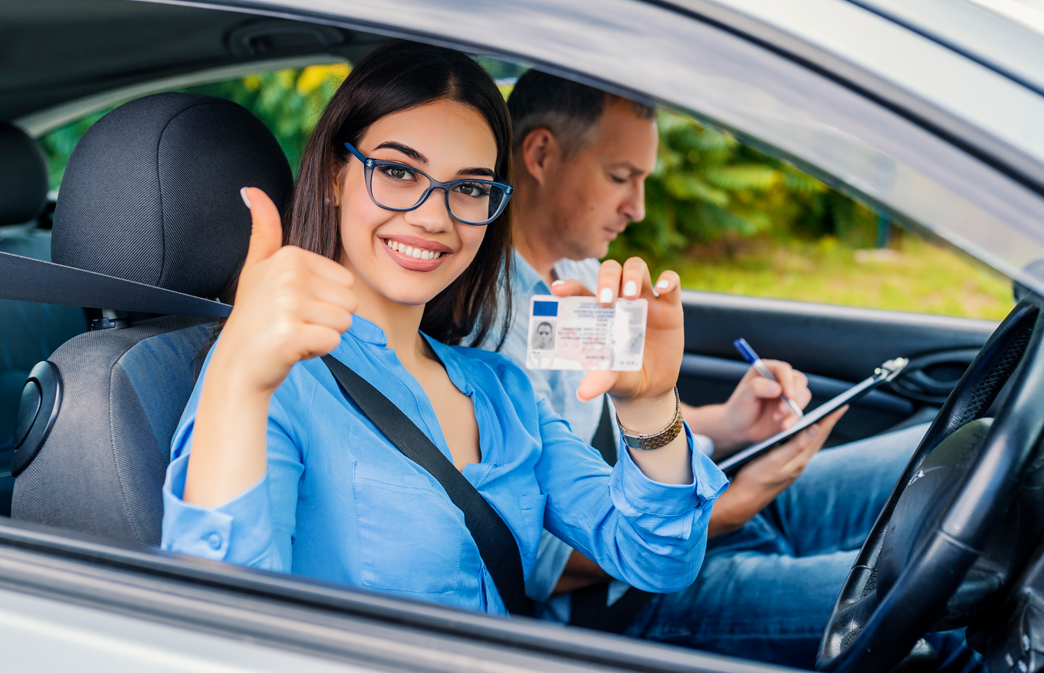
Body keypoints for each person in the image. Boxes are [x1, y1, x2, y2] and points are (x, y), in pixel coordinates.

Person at [159, 42, 728, 615]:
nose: (435, 217)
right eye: (399, 172)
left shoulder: (503, 390)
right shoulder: (268, 380)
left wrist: (652, 405)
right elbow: (219, 629)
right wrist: (237, 376)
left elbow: (657, 560)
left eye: (471, 187)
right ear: (336, 175)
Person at [487, 70, 980, 670]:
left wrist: (730, 423)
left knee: (954, 463)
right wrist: (737, 505)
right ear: (540, 154)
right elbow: (543, 563)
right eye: (621, 178)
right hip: (630, 597)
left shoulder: (581, 277)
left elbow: (627, 420)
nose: (637, 208)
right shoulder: (491, 330)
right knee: (945, 616)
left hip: (697, 501)